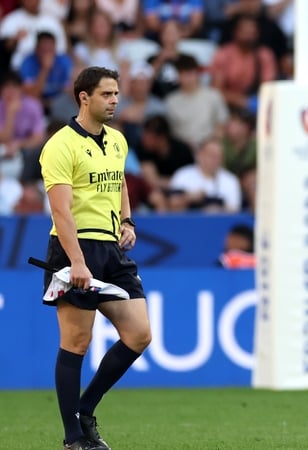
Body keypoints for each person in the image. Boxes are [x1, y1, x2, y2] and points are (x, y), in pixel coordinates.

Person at [38, 66, 151, 450]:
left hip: (111, 250)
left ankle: (85, 411)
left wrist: (128, 221)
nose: (115, 100)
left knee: (139, 334)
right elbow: (61, 212)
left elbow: (118, 184)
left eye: (117, 94)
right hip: (75, 249)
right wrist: (77, 262)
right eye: (107, 94)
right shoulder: (60, 145)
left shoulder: (118, 141)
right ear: (83, 97)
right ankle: (74, 439)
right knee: (77, 342)